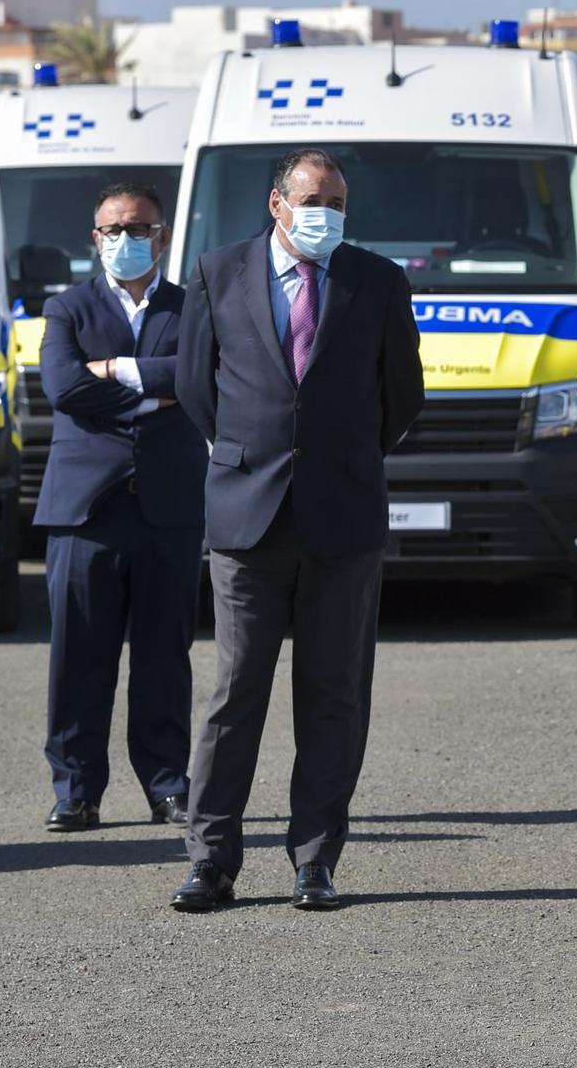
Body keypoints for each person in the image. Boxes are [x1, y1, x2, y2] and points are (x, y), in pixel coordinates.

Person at [169, 148, 424, 913]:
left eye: (339, 203)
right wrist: (256, 455)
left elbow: (401, 398)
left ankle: (315, 857)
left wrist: (336, 458)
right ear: (277, 203)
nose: (329, 216)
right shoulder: (218, 272)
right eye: (315, 199)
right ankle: (211, 859)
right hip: (248, 519)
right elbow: (193, 385)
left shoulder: (377, 281)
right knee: (234, 692)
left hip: (342, 519)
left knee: (333, 694)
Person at [34, 182, 203, 832]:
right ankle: (76, 789)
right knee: (79, 655)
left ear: (162, 236)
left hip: (169, 507)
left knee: (165, 654)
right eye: (114, 230)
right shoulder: (67, 308)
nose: (127, 240)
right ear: (94, 237)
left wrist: (114, 372)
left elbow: (198, 378)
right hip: (85, 510)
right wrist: (152, 387)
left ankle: (167, 784)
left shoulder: (194, 308)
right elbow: (63, 386)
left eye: (140, 229)